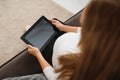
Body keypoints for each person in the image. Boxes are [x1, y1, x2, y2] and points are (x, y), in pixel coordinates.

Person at [4, 0, 120, 80]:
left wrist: (38, 54)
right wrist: (63, 27)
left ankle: (40, 42)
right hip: (65, 42)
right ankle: (49, 32)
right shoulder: (108, 38)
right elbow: (84, 31)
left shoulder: (83, 70)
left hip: (56, 63)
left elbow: (54, 77)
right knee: (53, 24)